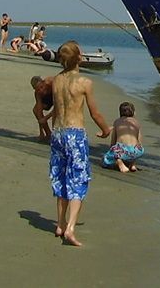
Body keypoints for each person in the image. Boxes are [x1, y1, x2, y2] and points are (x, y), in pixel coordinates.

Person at [48, 40, 110, 247]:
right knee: (77, 179)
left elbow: (57, 109)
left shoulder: (56, 80)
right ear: (78, 58)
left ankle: (60, 223)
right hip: (74, 133)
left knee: (60, 176)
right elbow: (95, 113)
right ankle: (70, 228)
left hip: (58, 132)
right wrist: (106, 129)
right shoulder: (84, 82)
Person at [102, 101, 144, 174]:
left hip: (123, 150)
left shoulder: (117, 122)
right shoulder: (137, 123)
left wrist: (112, 151)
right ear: (133, 112)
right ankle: (132, 164)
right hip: (138, 151)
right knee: (135, 147)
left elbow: (113, 141)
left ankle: (121, 165)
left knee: (106, 158)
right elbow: (139, 140)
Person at [31, 75, 55, 142]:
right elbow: (39, 111)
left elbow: (58, 107)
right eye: (38, 90)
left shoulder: (52, 84)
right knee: (35, 110)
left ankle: (56, 136)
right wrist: (41, 132)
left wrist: (46, 118)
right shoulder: (37, 93)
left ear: (43, 82)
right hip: (48, 99)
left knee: (57, 115)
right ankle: (48, 134)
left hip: (57, 97)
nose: (41, 90)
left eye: (42, 87)